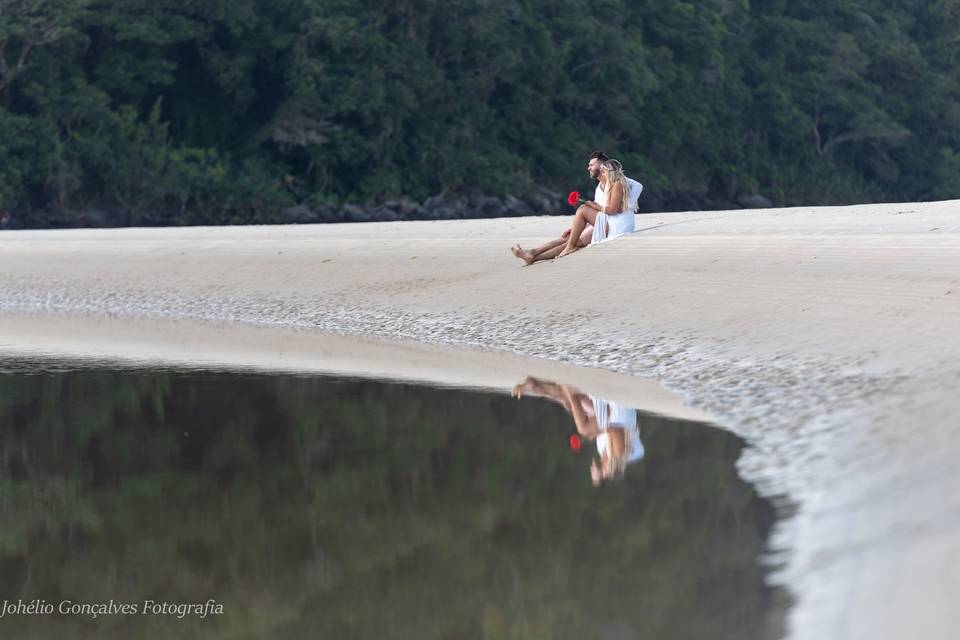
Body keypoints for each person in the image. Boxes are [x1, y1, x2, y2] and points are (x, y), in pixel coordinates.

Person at [512, 376, 643, 485]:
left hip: (609, 416)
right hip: (618, 413)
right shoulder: (618, 457)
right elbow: (614, 429)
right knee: (583, 427)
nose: (591, 470)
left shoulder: (602, 452)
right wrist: (595, 432)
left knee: (570, 405)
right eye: (595, 474)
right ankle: (565, 390)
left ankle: (535, 387)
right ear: (605, 474)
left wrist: (593, 431)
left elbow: (602, 426)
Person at [510, 151, 609, 265]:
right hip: (597, 222)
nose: (588, 168)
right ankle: (532, 252)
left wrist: (588, 205)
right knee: (568, 237)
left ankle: (534, 257)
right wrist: (578, 226)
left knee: (574, 241)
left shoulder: (612, 184)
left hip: (607, 224)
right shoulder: (599, 187)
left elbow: (609, 210)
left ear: (602, 166)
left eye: (591, 165)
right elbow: (595, 213)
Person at [557, 158, 641, 258]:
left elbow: (638, 186)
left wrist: (628, 205)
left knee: (580, 219)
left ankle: (569, 247)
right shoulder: (602, 186)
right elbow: (602, 208)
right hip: (608, 219)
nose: (602, 172)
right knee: (570, 237)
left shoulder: (618, 183)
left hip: (617, 224)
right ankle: (536, 254)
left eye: (603, 170)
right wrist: (576, 226)